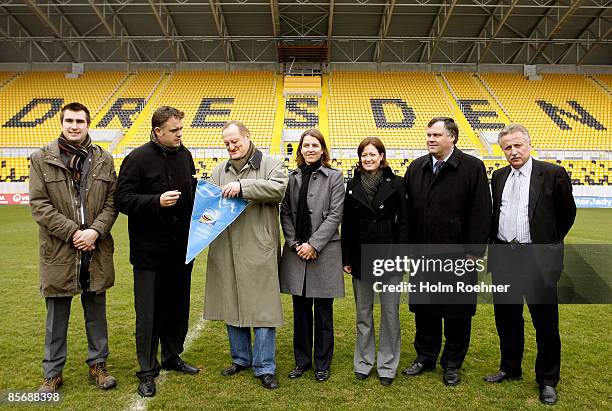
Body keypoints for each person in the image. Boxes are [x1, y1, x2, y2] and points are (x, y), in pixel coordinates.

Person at [29, 102, 118, 393]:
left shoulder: (104, 159)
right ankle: (52, 373)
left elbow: (112, 203)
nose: (74, 126)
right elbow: (39, 205)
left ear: (88, 124)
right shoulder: (41, 158)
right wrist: (73, 233)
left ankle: (98, 365)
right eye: (69, 120)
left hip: (95, 249)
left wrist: (94, 231)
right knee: (56, 317)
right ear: (62, 122)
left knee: (96, 312)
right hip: (59, 251)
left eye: (80, 120)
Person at [485, 124, 576, 405]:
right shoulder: (499, 176)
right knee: (507, 318)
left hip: (537, 259)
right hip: (504, 257)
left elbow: (567, 214)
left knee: (545, 323)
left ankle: (547, 379)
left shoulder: (552, 173)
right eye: (507, 148)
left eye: (517, 146)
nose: (513, 152)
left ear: (528, 144)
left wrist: (548, 244)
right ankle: (510, 368)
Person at [115, 106, 198, 398]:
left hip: (181, 250)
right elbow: (122, 200)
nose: (179, 135)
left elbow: (192, 190)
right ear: (157, 131)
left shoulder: (185, 155)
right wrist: (155, 201)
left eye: (181, 130)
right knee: (149, 314)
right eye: (174, 130)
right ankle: (147, 371)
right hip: (149, 253)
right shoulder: (136, 159)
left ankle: (172, 356)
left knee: (177, 309)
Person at [403, 116, 491, 386]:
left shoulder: (472, 167)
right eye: (428, 134)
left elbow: (481, 212)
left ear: (452, 137)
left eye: (436, 135)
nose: (430, 139)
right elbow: (406, 214)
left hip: (459, 257)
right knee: (425, 310)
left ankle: (452, 363)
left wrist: (474, 252)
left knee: (457, 312)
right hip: (422, 256)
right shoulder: (416, 167)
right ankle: (425, 357)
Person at [204, 120, 288, 390]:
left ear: (247, 137)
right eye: (227, 143)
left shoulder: (271, 163)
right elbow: (208, 206)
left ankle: (264, 366)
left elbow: (278, 190)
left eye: (235, 142)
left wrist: (244, 188)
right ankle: (241, 358)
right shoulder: (218, 171)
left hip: (258, 246)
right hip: (227, 247)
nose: (231, 147)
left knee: (262, 307)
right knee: (232, 301)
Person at [341, 137, 409, 386]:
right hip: (360, 258)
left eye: (372, 154)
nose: (368, 159)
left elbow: (404, 224)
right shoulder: (352, 185)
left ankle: (388, 365)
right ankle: (364, 362)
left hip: (390, 258)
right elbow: (346, 225)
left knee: (390, 314)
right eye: (364, 155)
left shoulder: (398, 184)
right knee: (363, 314)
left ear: (382, 156)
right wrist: (346, 258)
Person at [279, 129, 345, 383]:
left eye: (314, 145)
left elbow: (335, 215)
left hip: (324, 252)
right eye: (306, 145)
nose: (310, 149)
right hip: (297, 252)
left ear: (322, 150)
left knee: (324, 313)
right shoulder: (292, 177)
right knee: (301, 312)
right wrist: (295, 243)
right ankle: (302, 361)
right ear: (300, 150)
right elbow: (285, 212)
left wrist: (314, 244)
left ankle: (322, 364)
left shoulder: (335, 177)